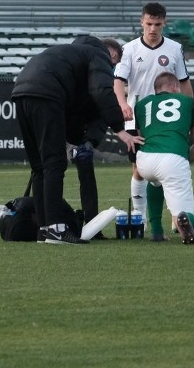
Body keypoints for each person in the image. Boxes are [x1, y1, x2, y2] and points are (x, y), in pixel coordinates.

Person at [12, 35, 142, 245]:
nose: (113, 68)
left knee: (39, 167)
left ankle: (44, 230)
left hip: (21, 91)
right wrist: (120, 129)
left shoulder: (69, 53)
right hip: (47, 93)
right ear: (111, 54)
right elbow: (101, 90)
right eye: (114, 63)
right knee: (54, 164)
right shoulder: (98, 55)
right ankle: (57, 230)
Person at [114, 3, 193, 229]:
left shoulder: (174, 48)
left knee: (170, 169)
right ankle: (140, 218)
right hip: (137, 116)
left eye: (157, 24)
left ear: (164, 23)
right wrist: (122, 104)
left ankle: (177, 217)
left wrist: (190, 111)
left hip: (167, 118)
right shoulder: (128, 49)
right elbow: (118, 81)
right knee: (139, 169)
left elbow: (184, 83)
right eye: (149, 23)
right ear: (142, 22)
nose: (152, 29)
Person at [133, 72, 194, 244]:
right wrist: (184, 158)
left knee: (155, 181)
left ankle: (156, 231)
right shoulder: (189, 101)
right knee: (185, 215)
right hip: (173, 159)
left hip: (145, 160)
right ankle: (181, 223)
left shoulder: (141, 104)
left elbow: (143, 137)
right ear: (175, 87)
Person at [65, 38, 123, 240]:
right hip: (58, 122)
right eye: (111, 57)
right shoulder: (75, 69)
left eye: (113, 61)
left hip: (75, 133)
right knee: (50, 171)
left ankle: (91, 225)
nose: (110, 62)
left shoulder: (96, 84)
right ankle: (48, 221)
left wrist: (88, 142)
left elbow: (99, 119)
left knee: (85, 170)